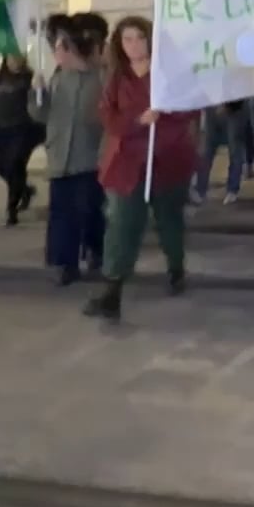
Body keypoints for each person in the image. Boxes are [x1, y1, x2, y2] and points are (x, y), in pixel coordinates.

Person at [82, 16, 200, 321]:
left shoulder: (168, 74)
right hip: (126, 163)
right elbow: (108, 116)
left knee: (169, 221)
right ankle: (112, 291)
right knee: (121, 224)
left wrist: (164, 114)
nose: (133, 45)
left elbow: (191, 108)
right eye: (126, 39)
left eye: (139, 37)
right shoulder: (117, 78)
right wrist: (137, 122)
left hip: (166, 162)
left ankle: (176, 266)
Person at [35, 14, 107, 286]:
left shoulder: (99, 79)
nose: (55, 52)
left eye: (60, 47)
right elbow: (41, 116)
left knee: (89, 210)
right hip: (59, 157)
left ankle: (96, 250)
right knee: (61, 213)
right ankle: (64, 263)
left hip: (88, 157)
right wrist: (36, 95)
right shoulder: (56, 79)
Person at [0, 54, 43, 226]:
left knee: (16, 165)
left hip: (22, 129)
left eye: (17, 60)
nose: (14, 63)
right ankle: (25, 190)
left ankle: (12, 209)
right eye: (11, 59)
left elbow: (39, 104)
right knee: (2, 167)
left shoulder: (29, 79)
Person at [194, 99, 252, 205]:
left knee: (234, 150)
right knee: (206, 150)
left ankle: (232, 189)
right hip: (212, 104)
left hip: (234, 106)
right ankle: (200, 189)